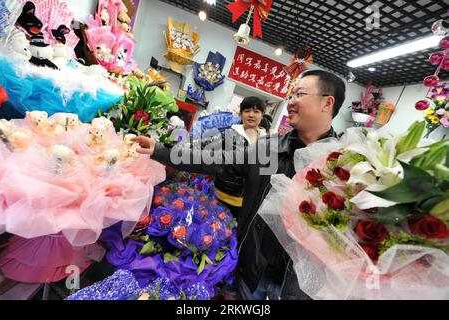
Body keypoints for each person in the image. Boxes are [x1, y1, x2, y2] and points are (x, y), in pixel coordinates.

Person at [133, 70, 346, 300]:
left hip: (297, 286)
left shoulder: (342, 166)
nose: (291, 101)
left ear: (327, 103)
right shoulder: (268, 149)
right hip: (251, 272)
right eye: (291, 94)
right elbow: (217, 160)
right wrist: (161, 151)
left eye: (300, 94)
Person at [212, 96, 267, 219]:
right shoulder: (228, 134)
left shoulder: (267, 141)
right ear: (241, 114)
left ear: (262, 115)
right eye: (247, 111)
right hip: (221, 195)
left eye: (256, 111)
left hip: (247, 202)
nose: (251, 115)